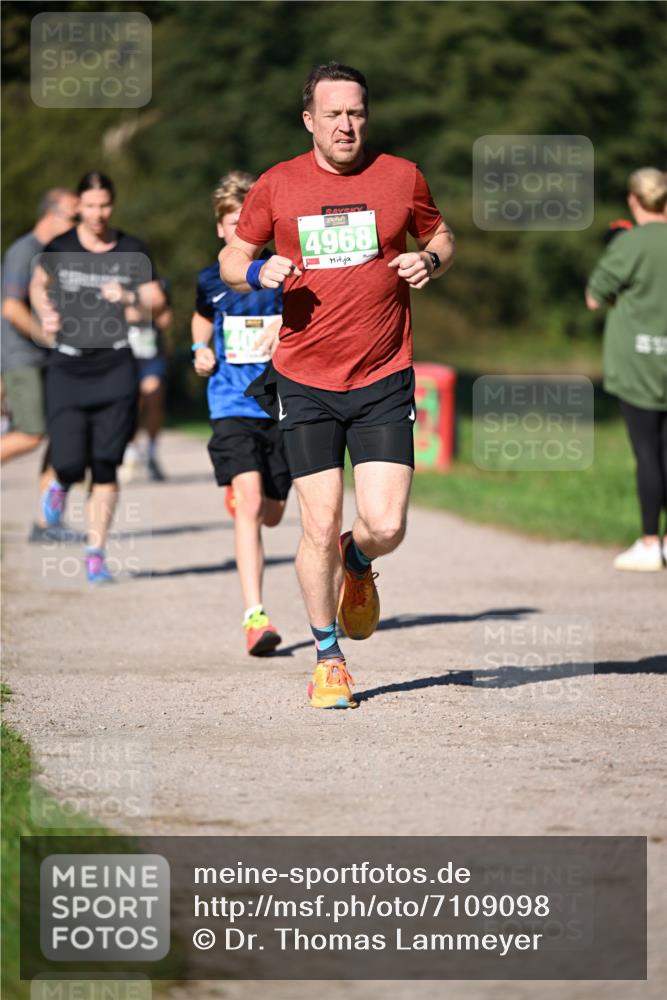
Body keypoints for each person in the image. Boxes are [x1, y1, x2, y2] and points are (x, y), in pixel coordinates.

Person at [219, 62, 454, 707]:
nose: (346, 125)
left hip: (382, 373)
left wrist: (428, 258)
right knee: (316, 524)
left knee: (386, 524)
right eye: (333, 115)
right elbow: (230, 257)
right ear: (310, 121)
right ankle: (327, 657)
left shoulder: (401, 176)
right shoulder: (278, 184)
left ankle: (359, 560)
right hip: (305, 379)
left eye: (355, 113)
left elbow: (440, 232)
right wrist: (258, 269)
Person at [29, 171, 166, 583]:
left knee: (105, 464)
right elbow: (38, 285)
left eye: (104, 205)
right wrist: (45, 312)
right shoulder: (61, 247)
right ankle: (59, 486)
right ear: (78, 208)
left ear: (113, 204)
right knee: (69, 460)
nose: (98, 214)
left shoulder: (131, 249)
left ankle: (95, 553)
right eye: (89, 206)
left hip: (115, 365)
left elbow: (155, 303)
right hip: (68, 366)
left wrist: (128, 297)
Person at [193, 170, 289, 655]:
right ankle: (255, 615)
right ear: (220, 228)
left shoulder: (277, 269)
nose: (240, 229)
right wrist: (198, 349)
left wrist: (286, 332)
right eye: (233, 221)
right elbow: (201, 316)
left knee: (273, 514)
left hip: (278, 404)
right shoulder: (210, 278)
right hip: (230, 401)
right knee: (250, 501)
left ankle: (248, 500)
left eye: (248, 221)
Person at [586, 167, 667, 572]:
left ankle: (651, 542)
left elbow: (594, 298)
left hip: (638, 365)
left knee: (648, 454)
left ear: (634, 201)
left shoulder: (630, 243)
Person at [1, 187, 79, 537]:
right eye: (74, 217)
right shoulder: (25, 251)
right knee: (31, 434)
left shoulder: (58, 254)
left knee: (62, 436)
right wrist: (46, 337)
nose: (80, 224)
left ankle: (49, 521)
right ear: (51, 215)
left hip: (51, 358)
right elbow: (11, 307)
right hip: (23, 357)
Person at [121, 276, 173, 482]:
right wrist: (146, 308)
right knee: (132, 403)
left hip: (152, 355)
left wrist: (137, 307)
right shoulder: (119, 282)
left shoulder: (158, 285)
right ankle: (130, 452)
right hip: (127, 357)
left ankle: (151, 452)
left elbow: (165, 318)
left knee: (154, 396)